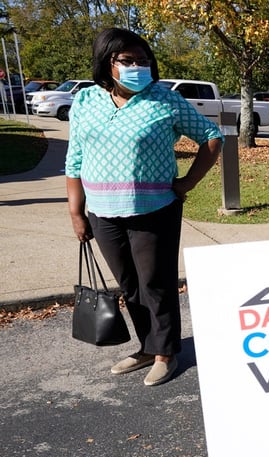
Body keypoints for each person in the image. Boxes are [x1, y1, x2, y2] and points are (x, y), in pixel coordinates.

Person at [66, 28, 223, 386]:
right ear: (108, 62)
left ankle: (167, 353)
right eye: (128, 60)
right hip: (102, 213)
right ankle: (147, 347)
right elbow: (74, 160)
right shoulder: (86, 101)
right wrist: (76, 212)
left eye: (143, 60)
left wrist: (187, 183)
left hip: (154, 209)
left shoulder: (163, 99)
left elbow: (212, 138)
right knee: (130, 285)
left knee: (156, 283)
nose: (138, 66)